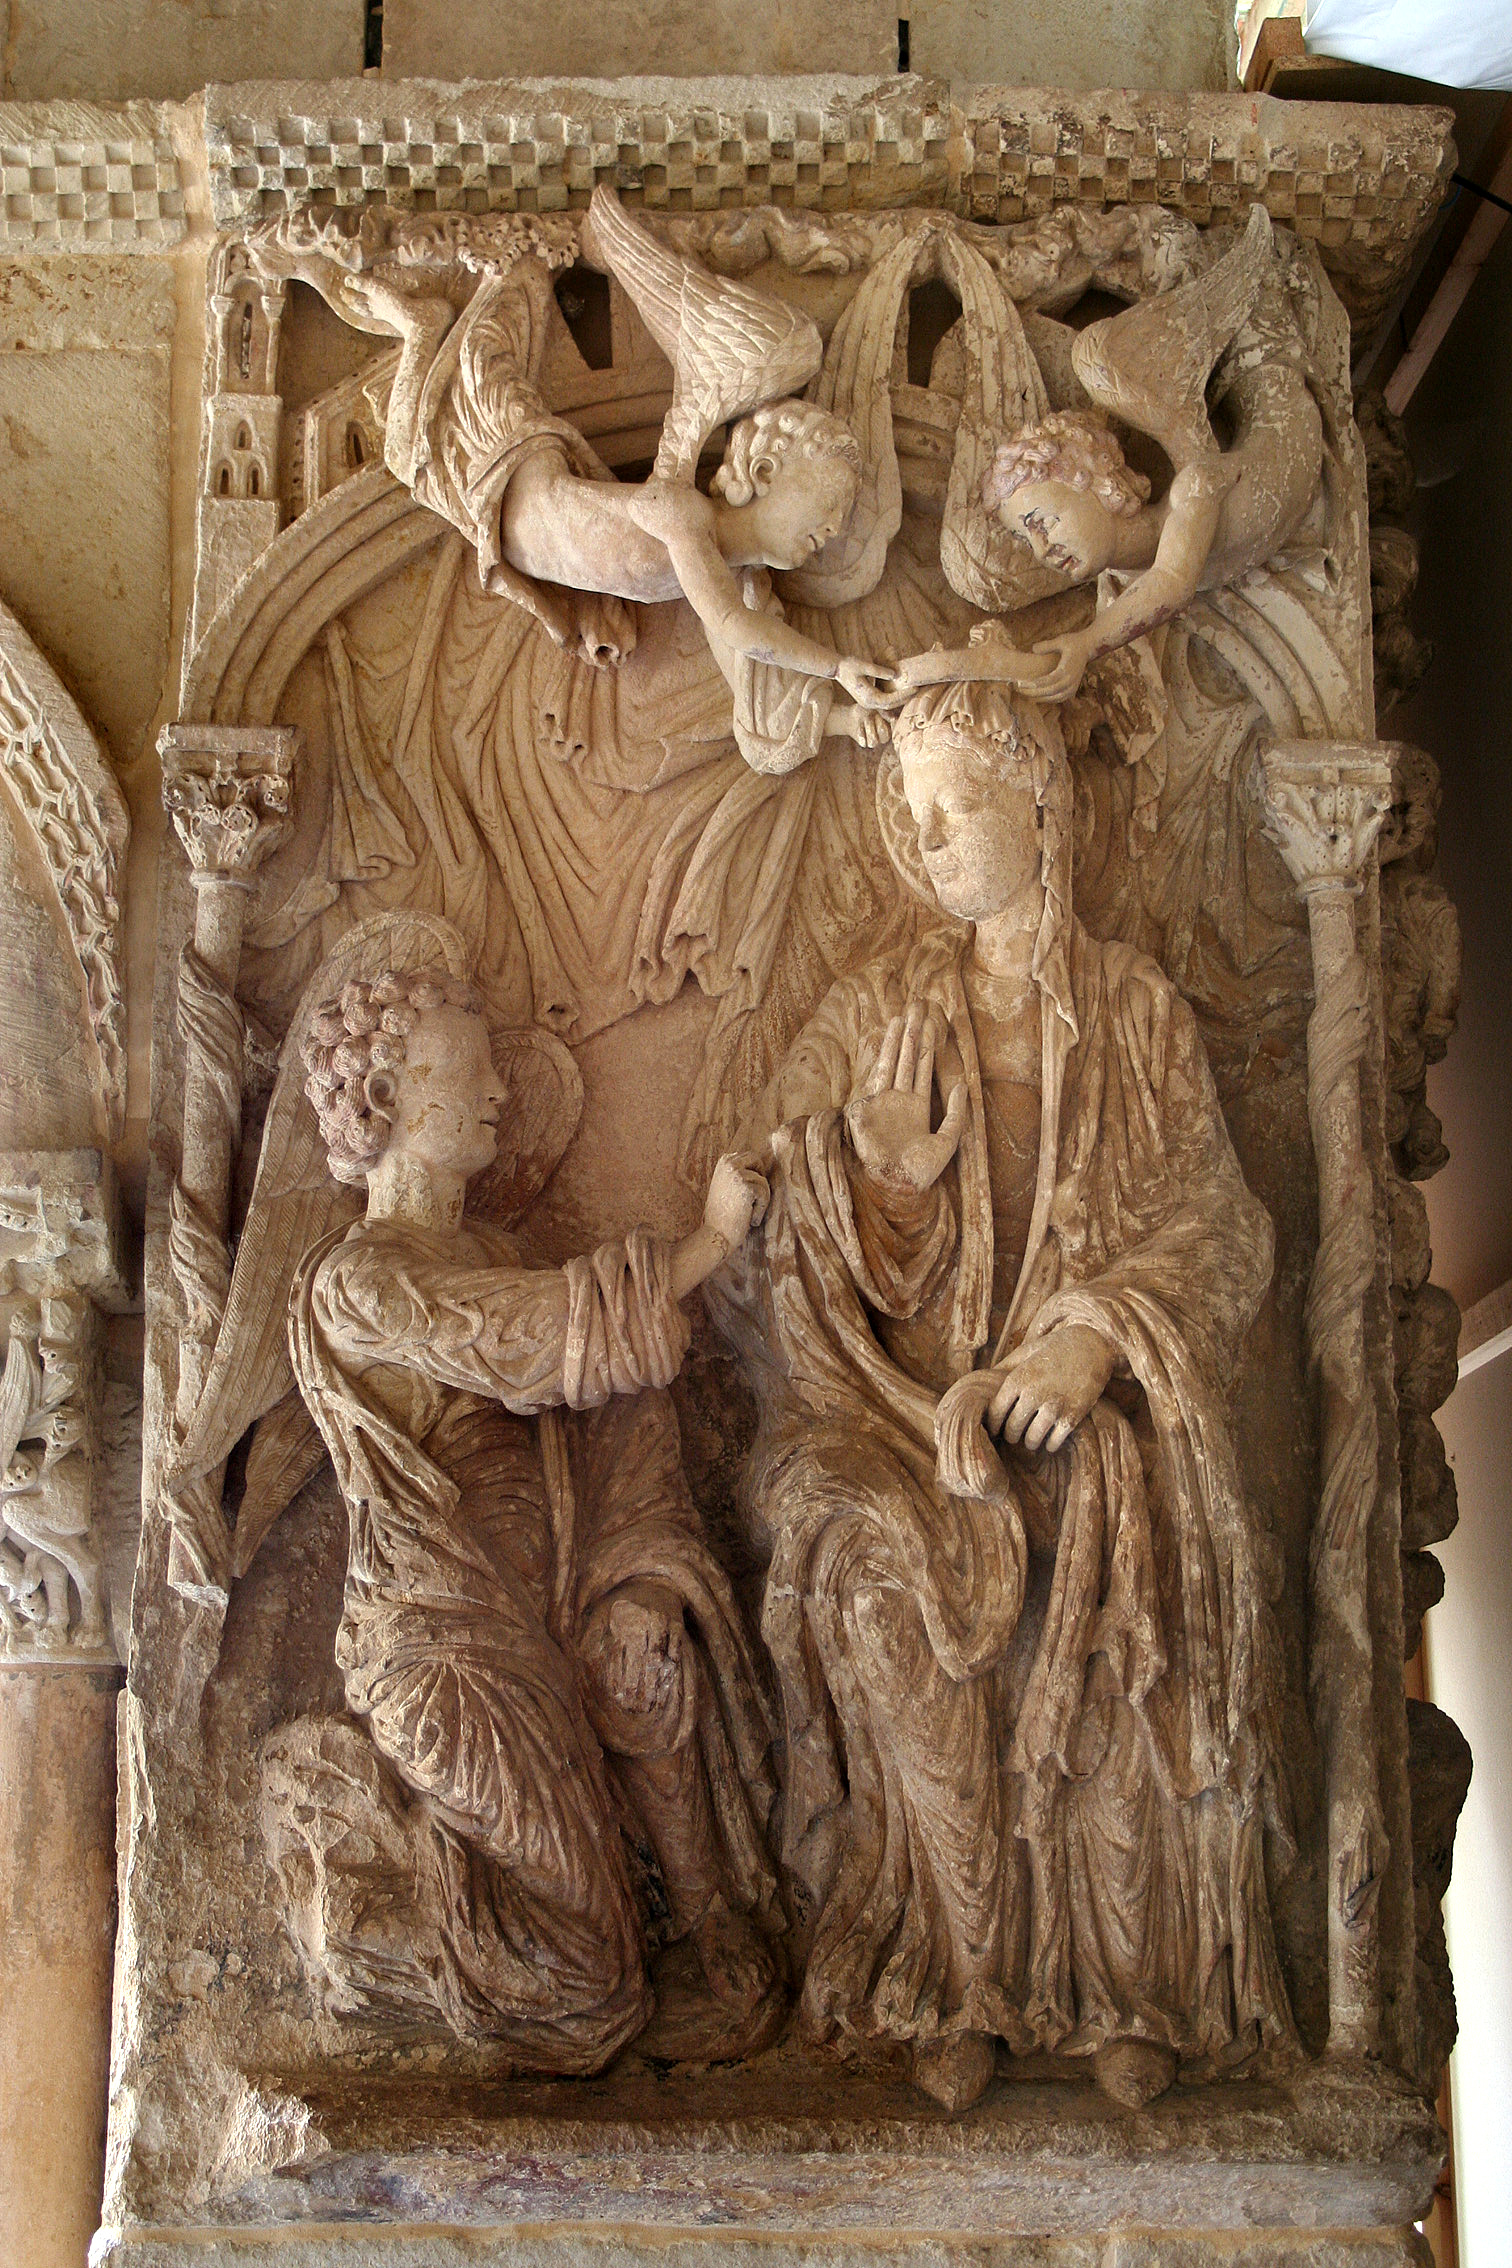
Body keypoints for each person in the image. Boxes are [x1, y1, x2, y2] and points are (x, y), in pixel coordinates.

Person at [710, 661, 1296, 2110]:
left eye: (957, 805)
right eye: (912, 814)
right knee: (875, 1576)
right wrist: (886, 1184)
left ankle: (1132, 1982)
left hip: (1087, 1418)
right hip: (903, 1424)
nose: (929, 840)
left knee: (1129, 1542)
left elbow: (1223, 1227)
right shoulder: (881, 1011)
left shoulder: (1134, 1009)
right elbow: (761, 1228)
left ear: (1042, 809)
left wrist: (1096, 1337)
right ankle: (952, 1972)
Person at [263, 963, 784, 2071]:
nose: (499, 1089)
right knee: (588, 1982)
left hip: (549, 1615)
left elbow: (613, 1399)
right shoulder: (357, 1283)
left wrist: (640, 1578)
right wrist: (707, 1244)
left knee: (643, 1665)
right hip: (443, 1651)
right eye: (470, 1067)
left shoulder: (500, 1255)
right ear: (386, 1095)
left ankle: (709, 1922)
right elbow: (525, 1337)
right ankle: (365, 1908)